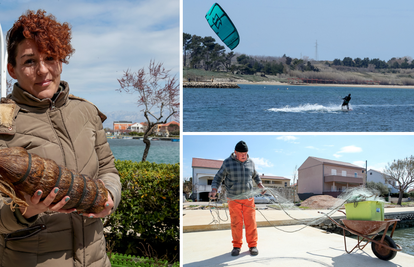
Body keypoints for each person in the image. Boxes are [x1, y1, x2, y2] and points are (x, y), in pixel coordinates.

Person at [0, 10, 121, 266]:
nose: (43, 70)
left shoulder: (86, 112)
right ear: (12, 69)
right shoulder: (2, 122)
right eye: (30, 61)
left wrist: (110, 196)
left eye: (50, 57)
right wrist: (26, 210)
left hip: (96, 259)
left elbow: (108, 168)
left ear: (61, 61)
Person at [209, 141, 265, 257]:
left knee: (251, 222)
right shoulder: (227, 163)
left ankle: (252, 245)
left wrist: (260, 185)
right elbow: (218, 177)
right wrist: (214, 189)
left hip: (248, 198)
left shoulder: (251, 163)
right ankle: (236, 246)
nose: (244, 155)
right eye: (242, 153)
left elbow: (255, 175)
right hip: (233, 198)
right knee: (236, 223)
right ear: (235, 153)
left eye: (245, 153)